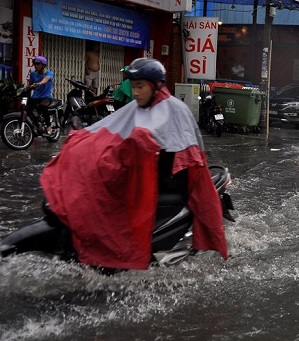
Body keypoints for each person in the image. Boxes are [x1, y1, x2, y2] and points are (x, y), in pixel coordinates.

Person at [39, 58, 228, 270]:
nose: (136, 92)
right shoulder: (141, 106)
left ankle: (120, 256)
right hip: (149, 169)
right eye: (133, 86)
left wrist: (133, 145)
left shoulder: (173, 109)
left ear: (156, 86)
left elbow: (150, 135)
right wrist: (81, 136)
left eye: (140, 86)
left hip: (172, 178)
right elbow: (109, 129)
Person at [27, 55, 55, 135]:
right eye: (35, 64)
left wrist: (39, 83)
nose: (35, 66)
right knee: (27, 109)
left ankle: (49, 125)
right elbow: (30, 84)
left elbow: (46, 79)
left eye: (38, 64)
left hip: (46, 97)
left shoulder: (49, 73)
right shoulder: (32, 74)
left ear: (43, 65)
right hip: (35, 97)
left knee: (42, 106)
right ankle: (36, 125)